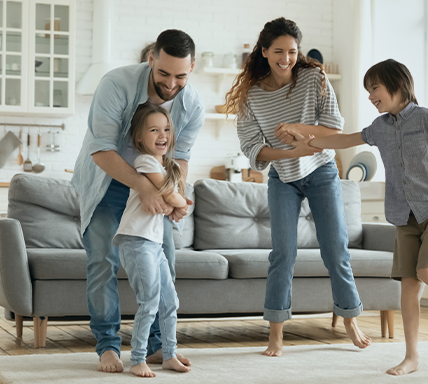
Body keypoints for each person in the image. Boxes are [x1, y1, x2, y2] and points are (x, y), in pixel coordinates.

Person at [298, 59, 428, 376]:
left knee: (427, 271)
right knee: (408, 286)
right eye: (368, 90)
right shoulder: (380, 128)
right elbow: (346, 140)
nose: (371, 96)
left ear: (398, 84)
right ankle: (411, 356)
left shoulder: (427, 118)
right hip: (404, 214)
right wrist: (310, 143)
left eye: (375, 88)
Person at [219, 17, 371, 357]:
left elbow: (334, 126)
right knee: (282, 255)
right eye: (278, 52)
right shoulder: (251, 94)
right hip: (283, 177)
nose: (286, 58)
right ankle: (275, 333)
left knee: (336, 251)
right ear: (264, 52)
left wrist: (298, 130)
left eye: (292, 51)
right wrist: (294, 150)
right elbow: (252, 148)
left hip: (322, 172)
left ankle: (350, 319)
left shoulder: (313, 78)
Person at [71, 29, 203, 373]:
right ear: (150, 60)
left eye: (181, 76)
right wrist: (144, 188)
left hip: (156, 185)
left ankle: (159, 346)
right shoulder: (116, 84)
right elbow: (102, 149)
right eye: (163, 73)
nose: (171, 83)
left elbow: (182, 158)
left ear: (192, 68)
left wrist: (173, 195)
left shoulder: (193, 105)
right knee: (102, 262)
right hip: (107, 181)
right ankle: (108, 347)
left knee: (165, 265)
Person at [116, 102, 191, 377]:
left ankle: (169, 354)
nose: (163, 135)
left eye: (167, 129)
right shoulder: (145, 160)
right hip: (135, 241)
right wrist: (180, 204)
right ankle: (137, 359)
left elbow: (171, 197)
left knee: (170, 302)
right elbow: (170, 195)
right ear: (139, 138)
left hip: (153, 244)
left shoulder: (163, 165)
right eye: (154, 130)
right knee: (149, 301)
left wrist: (177, 203)